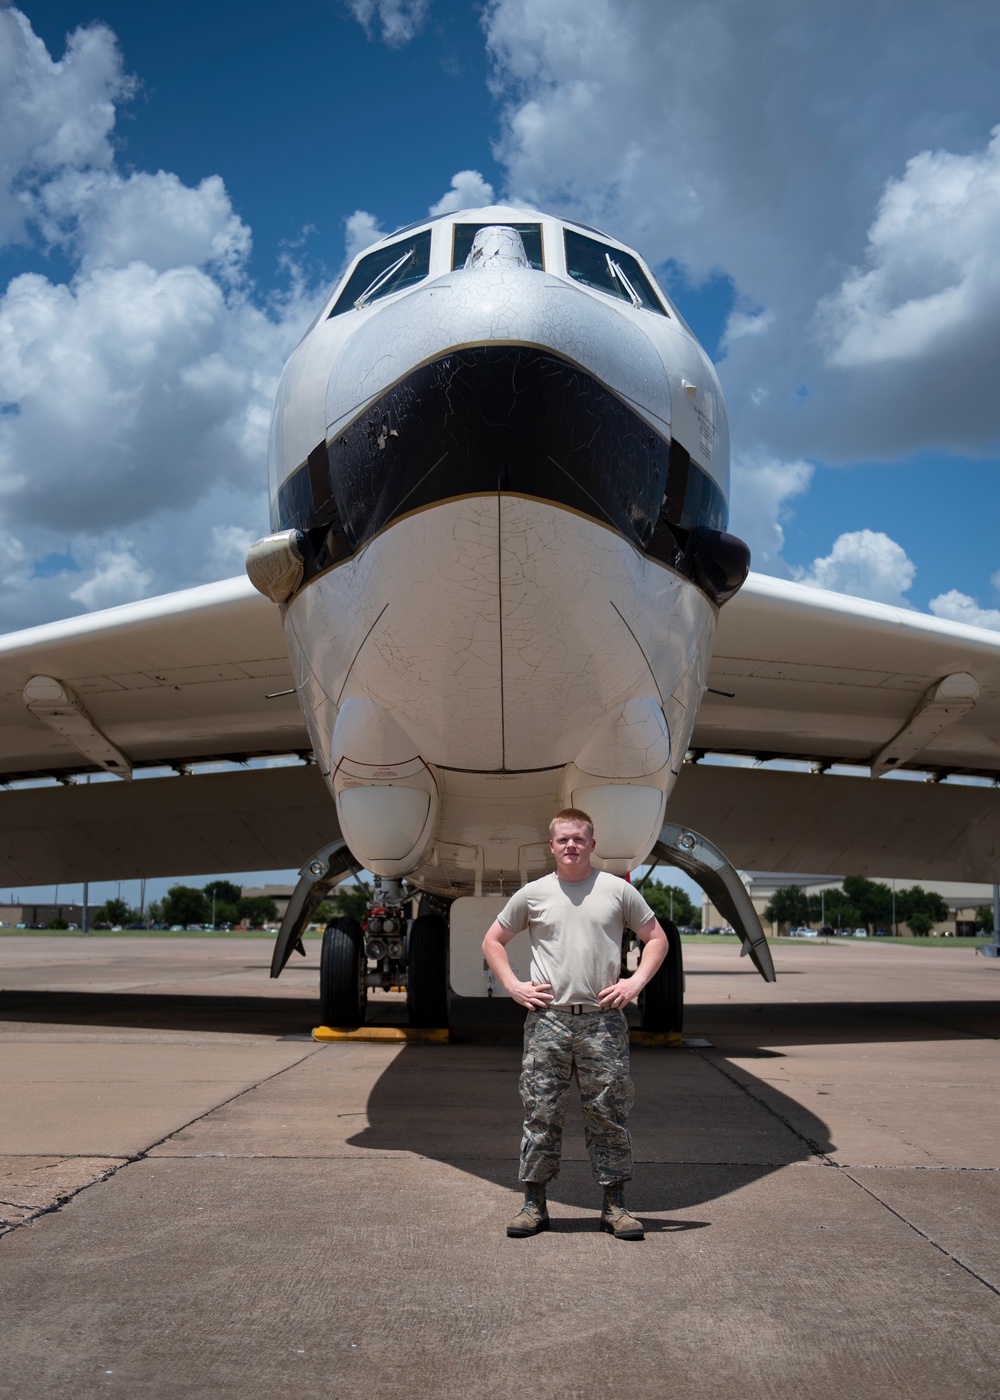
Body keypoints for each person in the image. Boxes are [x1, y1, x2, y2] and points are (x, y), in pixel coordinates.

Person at [482, 807, 669, 1240]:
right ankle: (534, 1204)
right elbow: (493, 939)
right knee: (541, 1113)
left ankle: (615, 1206)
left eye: (579, 839)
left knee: (608, 1113)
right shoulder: (533, 894)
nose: (571, 846)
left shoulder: (616, 892)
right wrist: (513, 985)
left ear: (592, 844)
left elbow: (655, 937)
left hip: (602, 1021)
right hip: (548, 1020)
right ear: (552, 846)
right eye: (563, 839)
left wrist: (635, 983)